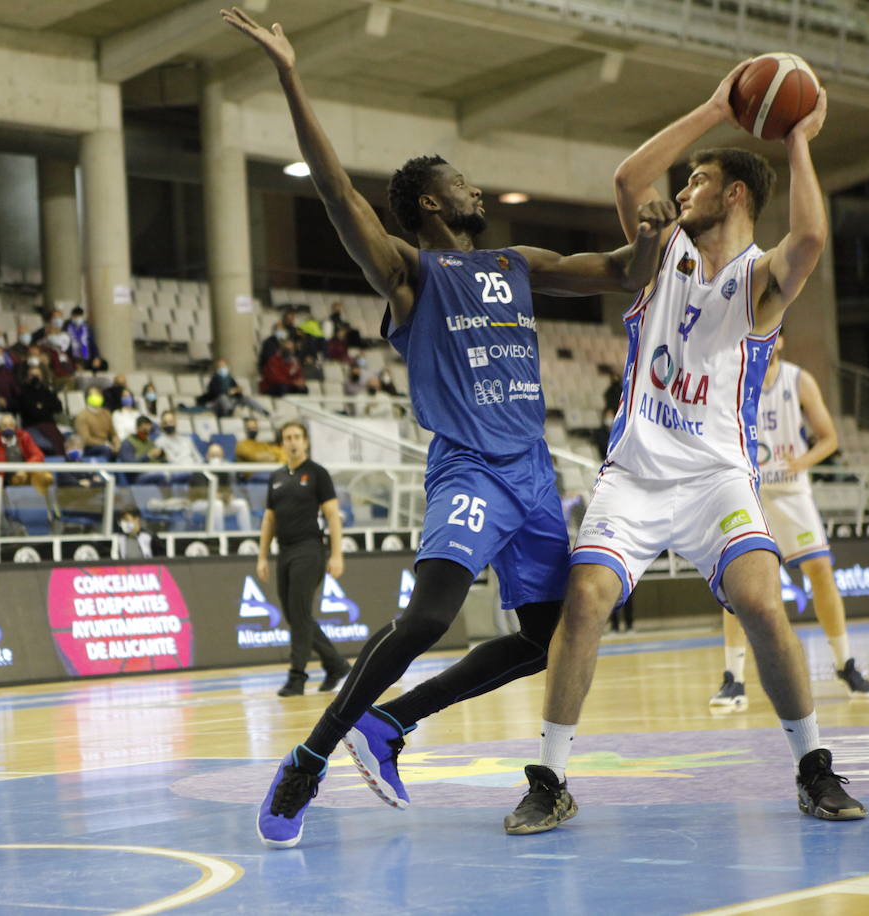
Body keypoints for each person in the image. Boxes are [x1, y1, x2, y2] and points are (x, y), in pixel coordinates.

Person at [222, 7, 676, 849]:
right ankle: (309, 760)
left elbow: (620, 274)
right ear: (434, 202)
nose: (478, 191)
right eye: (465, 182)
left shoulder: (516, 265)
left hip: (534, 474)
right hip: (469, 467)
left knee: (545, 639)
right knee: (429, 616)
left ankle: (391, 724)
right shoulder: (410, 272)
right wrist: (290, 74)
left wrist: (650, 238)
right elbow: (336, 192)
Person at [507, 63, 865, 836]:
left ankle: (813, 768)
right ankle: (550, 777)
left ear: (734, 195)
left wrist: (799, 137)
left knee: (765, 602)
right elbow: (629, 174)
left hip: (716, 479)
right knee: (588, 600)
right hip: (634, 476)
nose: (684, 190)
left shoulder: (759, 278)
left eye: (698, 180)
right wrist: (712, 107)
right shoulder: (656, 254)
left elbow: (809, 237)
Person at [711, 337, 869, 709]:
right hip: (750, 490)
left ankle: (845, 663)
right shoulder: (733, 376)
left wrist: (803, 461)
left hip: (790, 490)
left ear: (780, 339)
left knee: (820, 569)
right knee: (734, 581)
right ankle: (733, 679)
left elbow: (829, 438)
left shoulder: (798, 380)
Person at [257, 421, 350, 698]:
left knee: (299, 613)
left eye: (297, 437)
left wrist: (337, 554)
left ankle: (297, 677)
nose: (293, 441)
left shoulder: (317, 473)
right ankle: (336, 664)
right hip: (284, 552)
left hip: (309, 550)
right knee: (295, 615)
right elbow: (269, 518)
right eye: (288, 437)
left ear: (306, 442)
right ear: (282, 443)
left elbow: (333, 516)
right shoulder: (276, 477)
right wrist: (262, 556)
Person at [0, 415, 56, 514]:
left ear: (15, 427)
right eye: (5, 426)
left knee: (45, 476)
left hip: (26, 471)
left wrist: (25, 468)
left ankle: (51, 512)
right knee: (28, 478)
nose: (8, 428)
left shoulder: (23, 437)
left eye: (11, 425)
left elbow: (38, 455)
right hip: (6, 478)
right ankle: (44, 509)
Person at [191, 443, 253, 531]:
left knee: (241, 504)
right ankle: (218, 535)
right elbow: (199, 492)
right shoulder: (200, 470)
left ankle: (247, 534)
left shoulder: (224, 471)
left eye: (218, 455)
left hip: (220, 502)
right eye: (213, 455)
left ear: (223, 456)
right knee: (217, 504)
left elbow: (227, 490)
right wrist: (214, 495)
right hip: (199, 504)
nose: (216, 458)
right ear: (207, 455)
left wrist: (227, 496)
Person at [17, 365, 65, 456]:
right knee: (45, 445)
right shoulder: (22, 392)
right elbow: (30, 411)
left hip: (49, 425)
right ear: (27, 377)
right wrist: (43, 407)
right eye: (32, 375)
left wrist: (41, 407)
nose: (35, 378)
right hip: (31, 426)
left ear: (42, 377)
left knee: (61, 443)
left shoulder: (47, 392)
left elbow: (58, 407)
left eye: (37, 375)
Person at [199, 359, 269, 417]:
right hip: (218, 403)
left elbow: (237, 392)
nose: (222, 368)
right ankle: (230, 414)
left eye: (224, 366)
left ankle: (264, 412)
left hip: (232, 400)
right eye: (220, 366)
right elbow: (214, 394)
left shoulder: (230, 379)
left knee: (247, 399)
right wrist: (230, 392)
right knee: (223, 398)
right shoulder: (213, 380)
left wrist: (238, 390)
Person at [73, 387, 118, 460]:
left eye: (98, 395)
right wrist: (105, 444)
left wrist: (117, 444)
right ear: (87, 398)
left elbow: (113, 434)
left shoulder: (106, 413)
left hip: (106, 444)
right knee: (105, 450)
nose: (96, 397)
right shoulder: (82, 416)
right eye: (93, 395)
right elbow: (86, 439)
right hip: (90, 447)